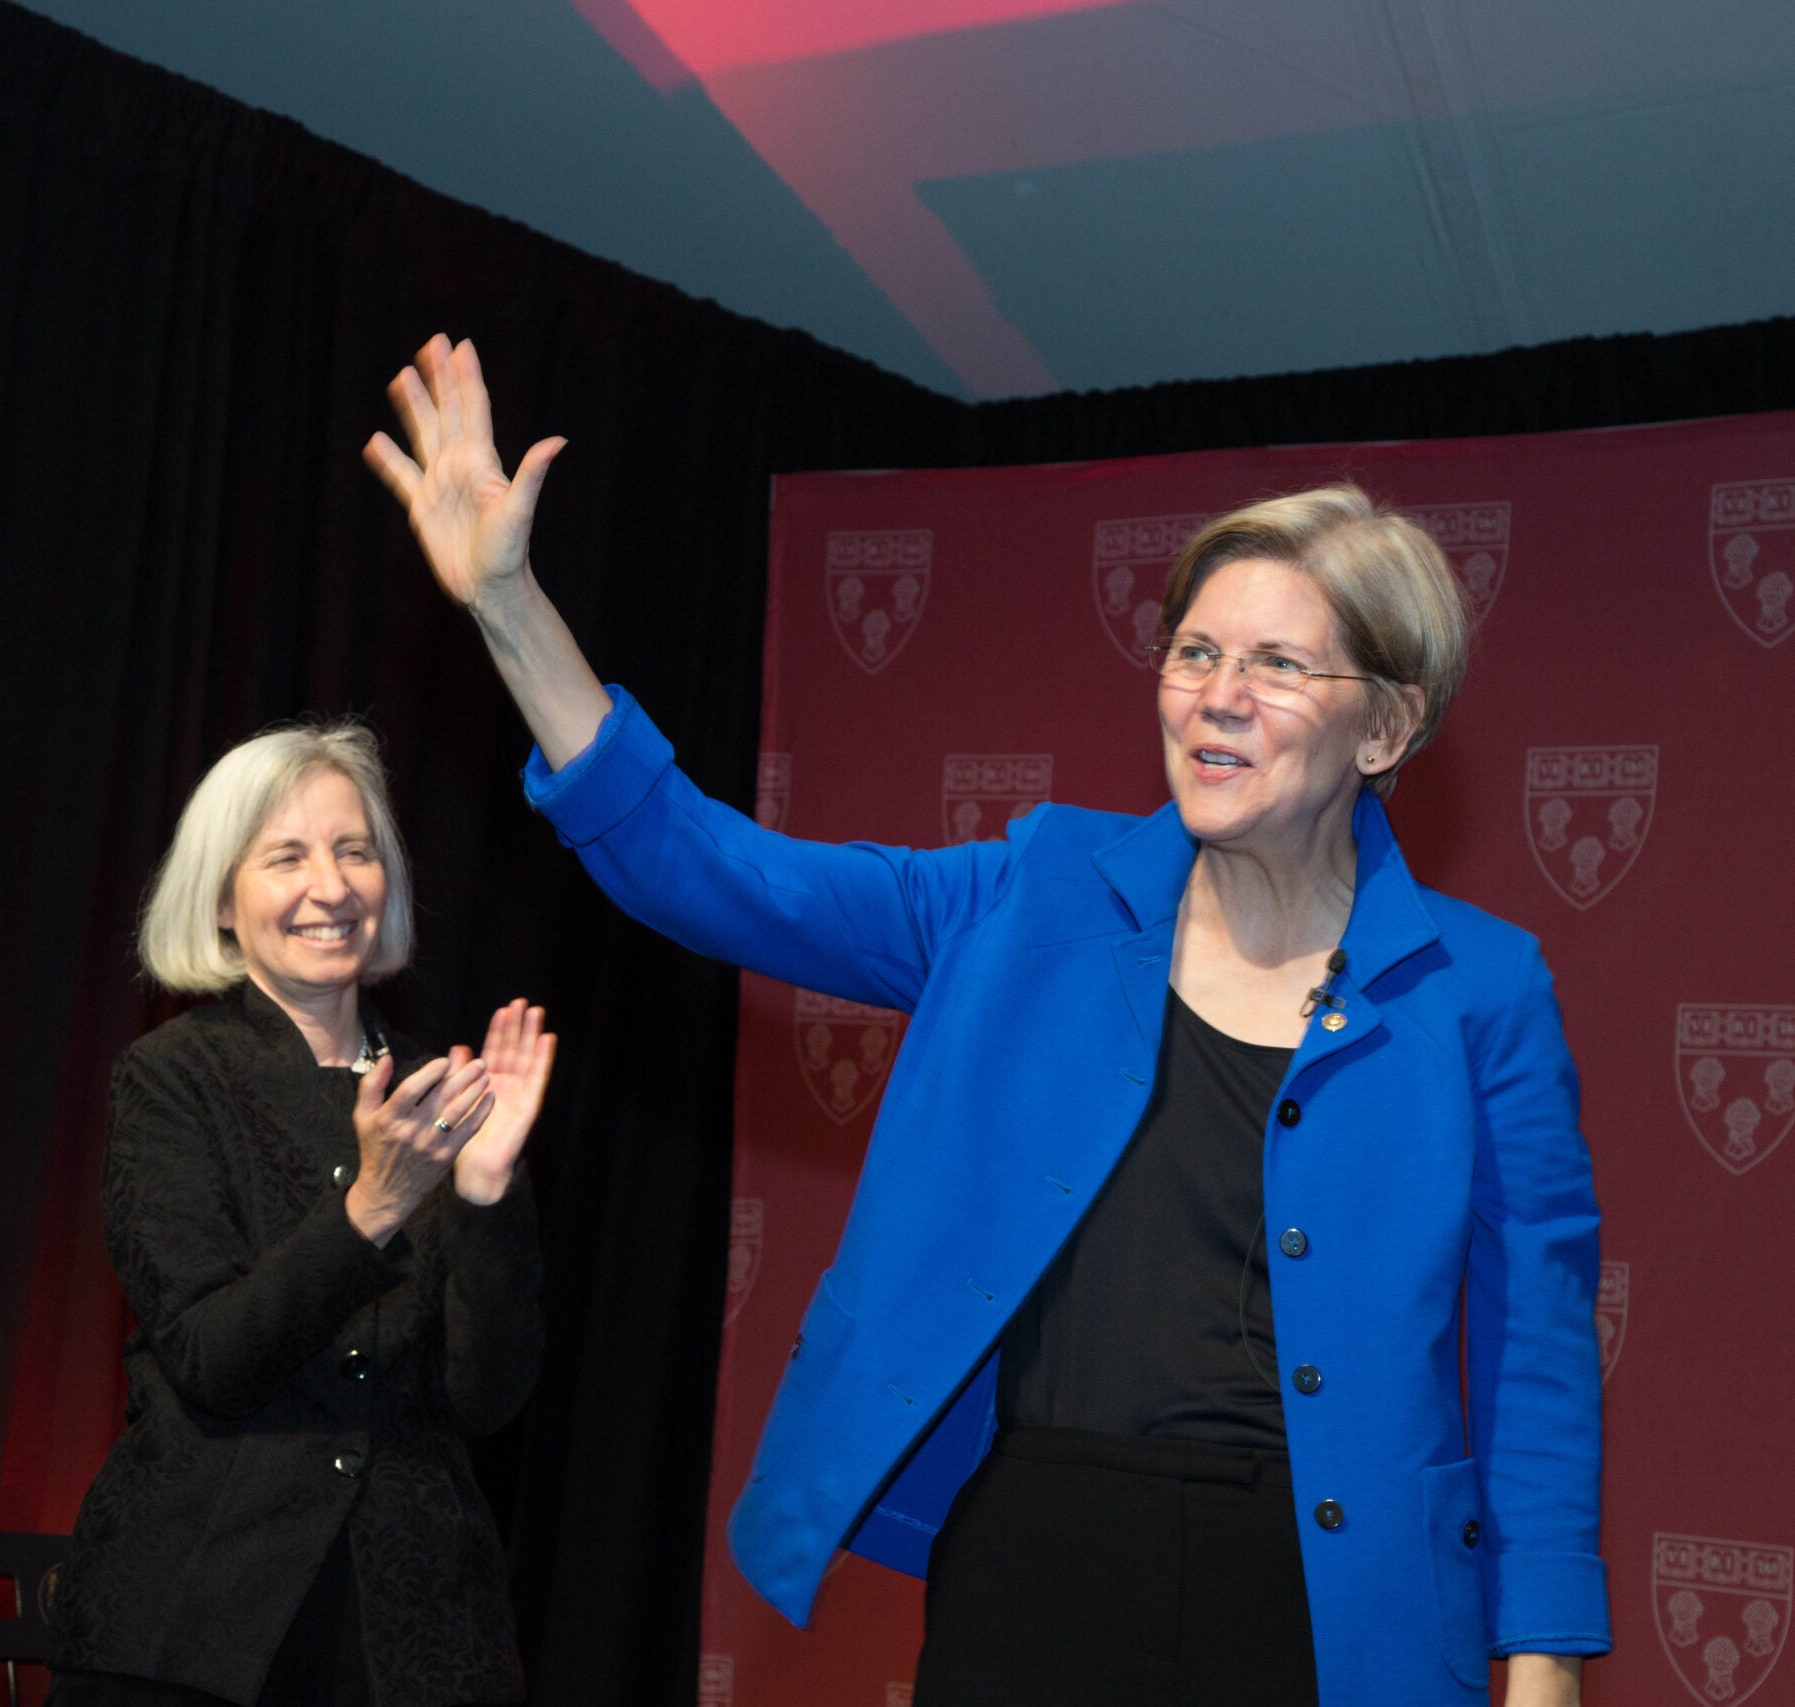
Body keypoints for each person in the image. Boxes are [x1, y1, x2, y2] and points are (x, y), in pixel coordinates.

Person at [364, 336, 1609, 1707]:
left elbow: (1535, 1355)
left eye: (1276, 662)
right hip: (1043, 1555)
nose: (1216, 693)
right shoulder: (1032, 892)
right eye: (1194, 648)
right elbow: (711, 870)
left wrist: (1539, 1670)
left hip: (1340, 1597)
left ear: (1385, 728)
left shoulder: (1484, 990)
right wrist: (508, 605)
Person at [48, 720, 554, 1707]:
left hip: (417, 1640)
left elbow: (487, 1403)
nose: (330, 887)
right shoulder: (173, 1078)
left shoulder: (442, 1095)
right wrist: (370, 1209)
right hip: (196, 1624)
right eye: (287, 857)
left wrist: (488, 1194)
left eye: (354, 851)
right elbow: (209, 1357)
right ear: (224, 903)